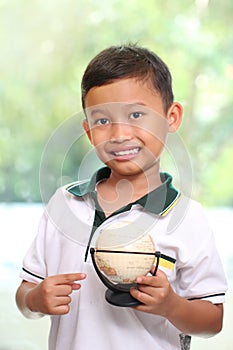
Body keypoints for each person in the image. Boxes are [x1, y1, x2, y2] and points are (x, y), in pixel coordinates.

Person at [16, 44, 227, 350]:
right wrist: (35, 299)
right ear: (88, 132)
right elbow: (25, 294)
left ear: (172, 117)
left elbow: (213, 321)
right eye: (102, 121)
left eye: (136, 114)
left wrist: (172, 306)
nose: (119, 134)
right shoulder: (64, 205)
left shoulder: (187, 218)